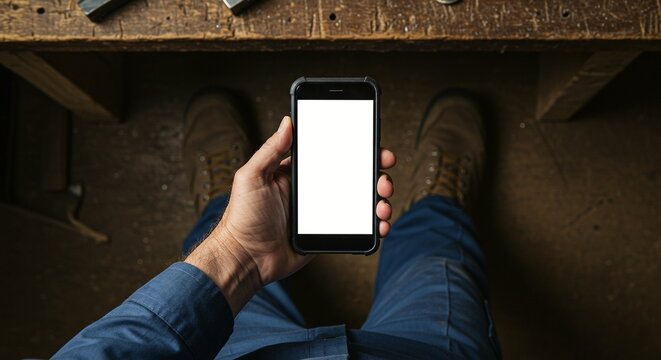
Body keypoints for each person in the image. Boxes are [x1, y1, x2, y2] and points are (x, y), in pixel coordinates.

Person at [53, 91, 501, 359]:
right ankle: (439, 202)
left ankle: (222, 204)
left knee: (225, 231)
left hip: (231, 351)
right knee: (437, 258)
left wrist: (239, 254)